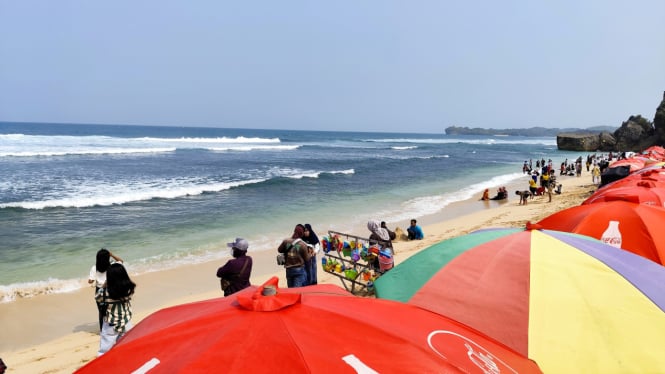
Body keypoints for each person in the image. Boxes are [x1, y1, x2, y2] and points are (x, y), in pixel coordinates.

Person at [96, 263, 135, 356]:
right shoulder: (129, 289)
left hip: (111, 325)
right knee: (124, 347)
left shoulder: (104, 292)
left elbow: (97, 298)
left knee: (104, 351)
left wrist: (104, 285)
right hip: (126, 323)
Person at [88, 248, 123, 331]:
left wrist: (92, 280)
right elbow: (121, 261)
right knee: (112, 309)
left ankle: (102, 330)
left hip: (99, 291)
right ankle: (113, 326)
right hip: (110, 289)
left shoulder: (94, 268)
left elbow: (90, 281)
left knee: (101, 312)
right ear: (108, 257)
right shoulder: (112, 265)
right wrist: (112, 254)